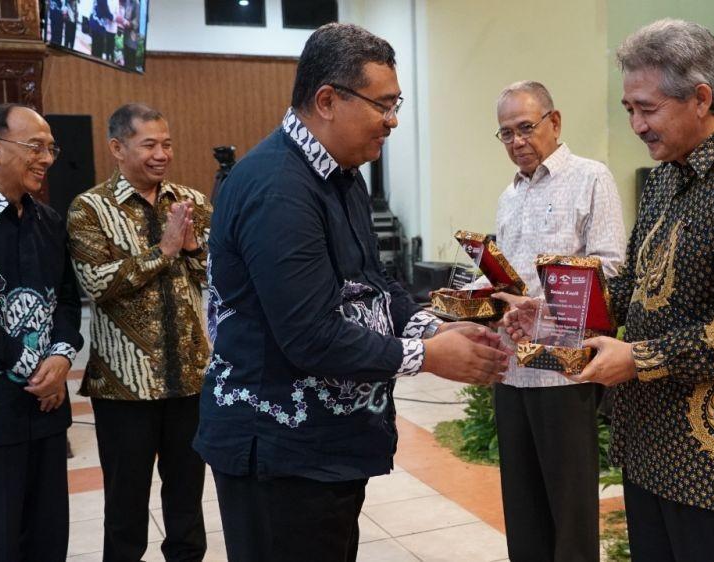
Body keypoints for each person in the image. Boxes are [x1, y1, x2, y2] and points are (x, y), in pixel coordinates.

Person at [197, 22, 508, 562]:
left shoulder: (341, 176)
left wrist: (431, 325)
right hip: (278, 449)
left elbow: (375, 285)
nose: (393, 121)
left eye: (397, 103)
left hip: (326, 444)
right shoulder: (278, 188)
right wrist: (428, 356)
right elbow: (308, 334)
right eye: (382, 105)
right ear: (327, 100)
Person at [506, 18, 714, 562]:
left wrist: (639, 358)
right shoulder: (668, 174)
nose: (637, 125)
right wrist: (550, 312)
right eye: (629, 110)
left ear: (700, 98)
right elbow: (635, 287)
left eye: (647, 109)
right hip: (653, 442)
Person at [67, 103, 211, 562]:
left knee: (188, 503)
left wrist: (192, 249)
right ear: (117, 148)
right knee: (126, 507)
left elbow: (218, 278)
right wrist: (165, 250)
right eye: (148, 144)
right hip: (124, 388)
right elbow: (96, 284)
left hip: (189, 379)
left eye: (166, 143)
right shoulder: (89, 209)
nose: (161, 154)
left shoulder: (190, 202)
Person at [488, 80, 625, 562]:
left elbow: (612, 270)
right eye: (505, 134)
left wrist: (540, 308)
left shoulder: (591, 177)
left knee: (569, 515)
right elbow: (512, 274)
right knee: (522, 509)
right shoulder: (509, 195)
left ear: (555, 122)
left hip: (562, 370)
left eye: (525, 128)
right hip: (511, 369)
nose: (517, 142)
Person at [0, 103, 83, 561]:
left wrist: (62, 358)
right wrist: (38, 371)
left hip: (46, 415)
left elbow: (68, 299)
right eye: (34, 147)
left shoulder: (48, 221)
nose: (46, 158)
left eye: (51, 148)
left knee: (47, 540)